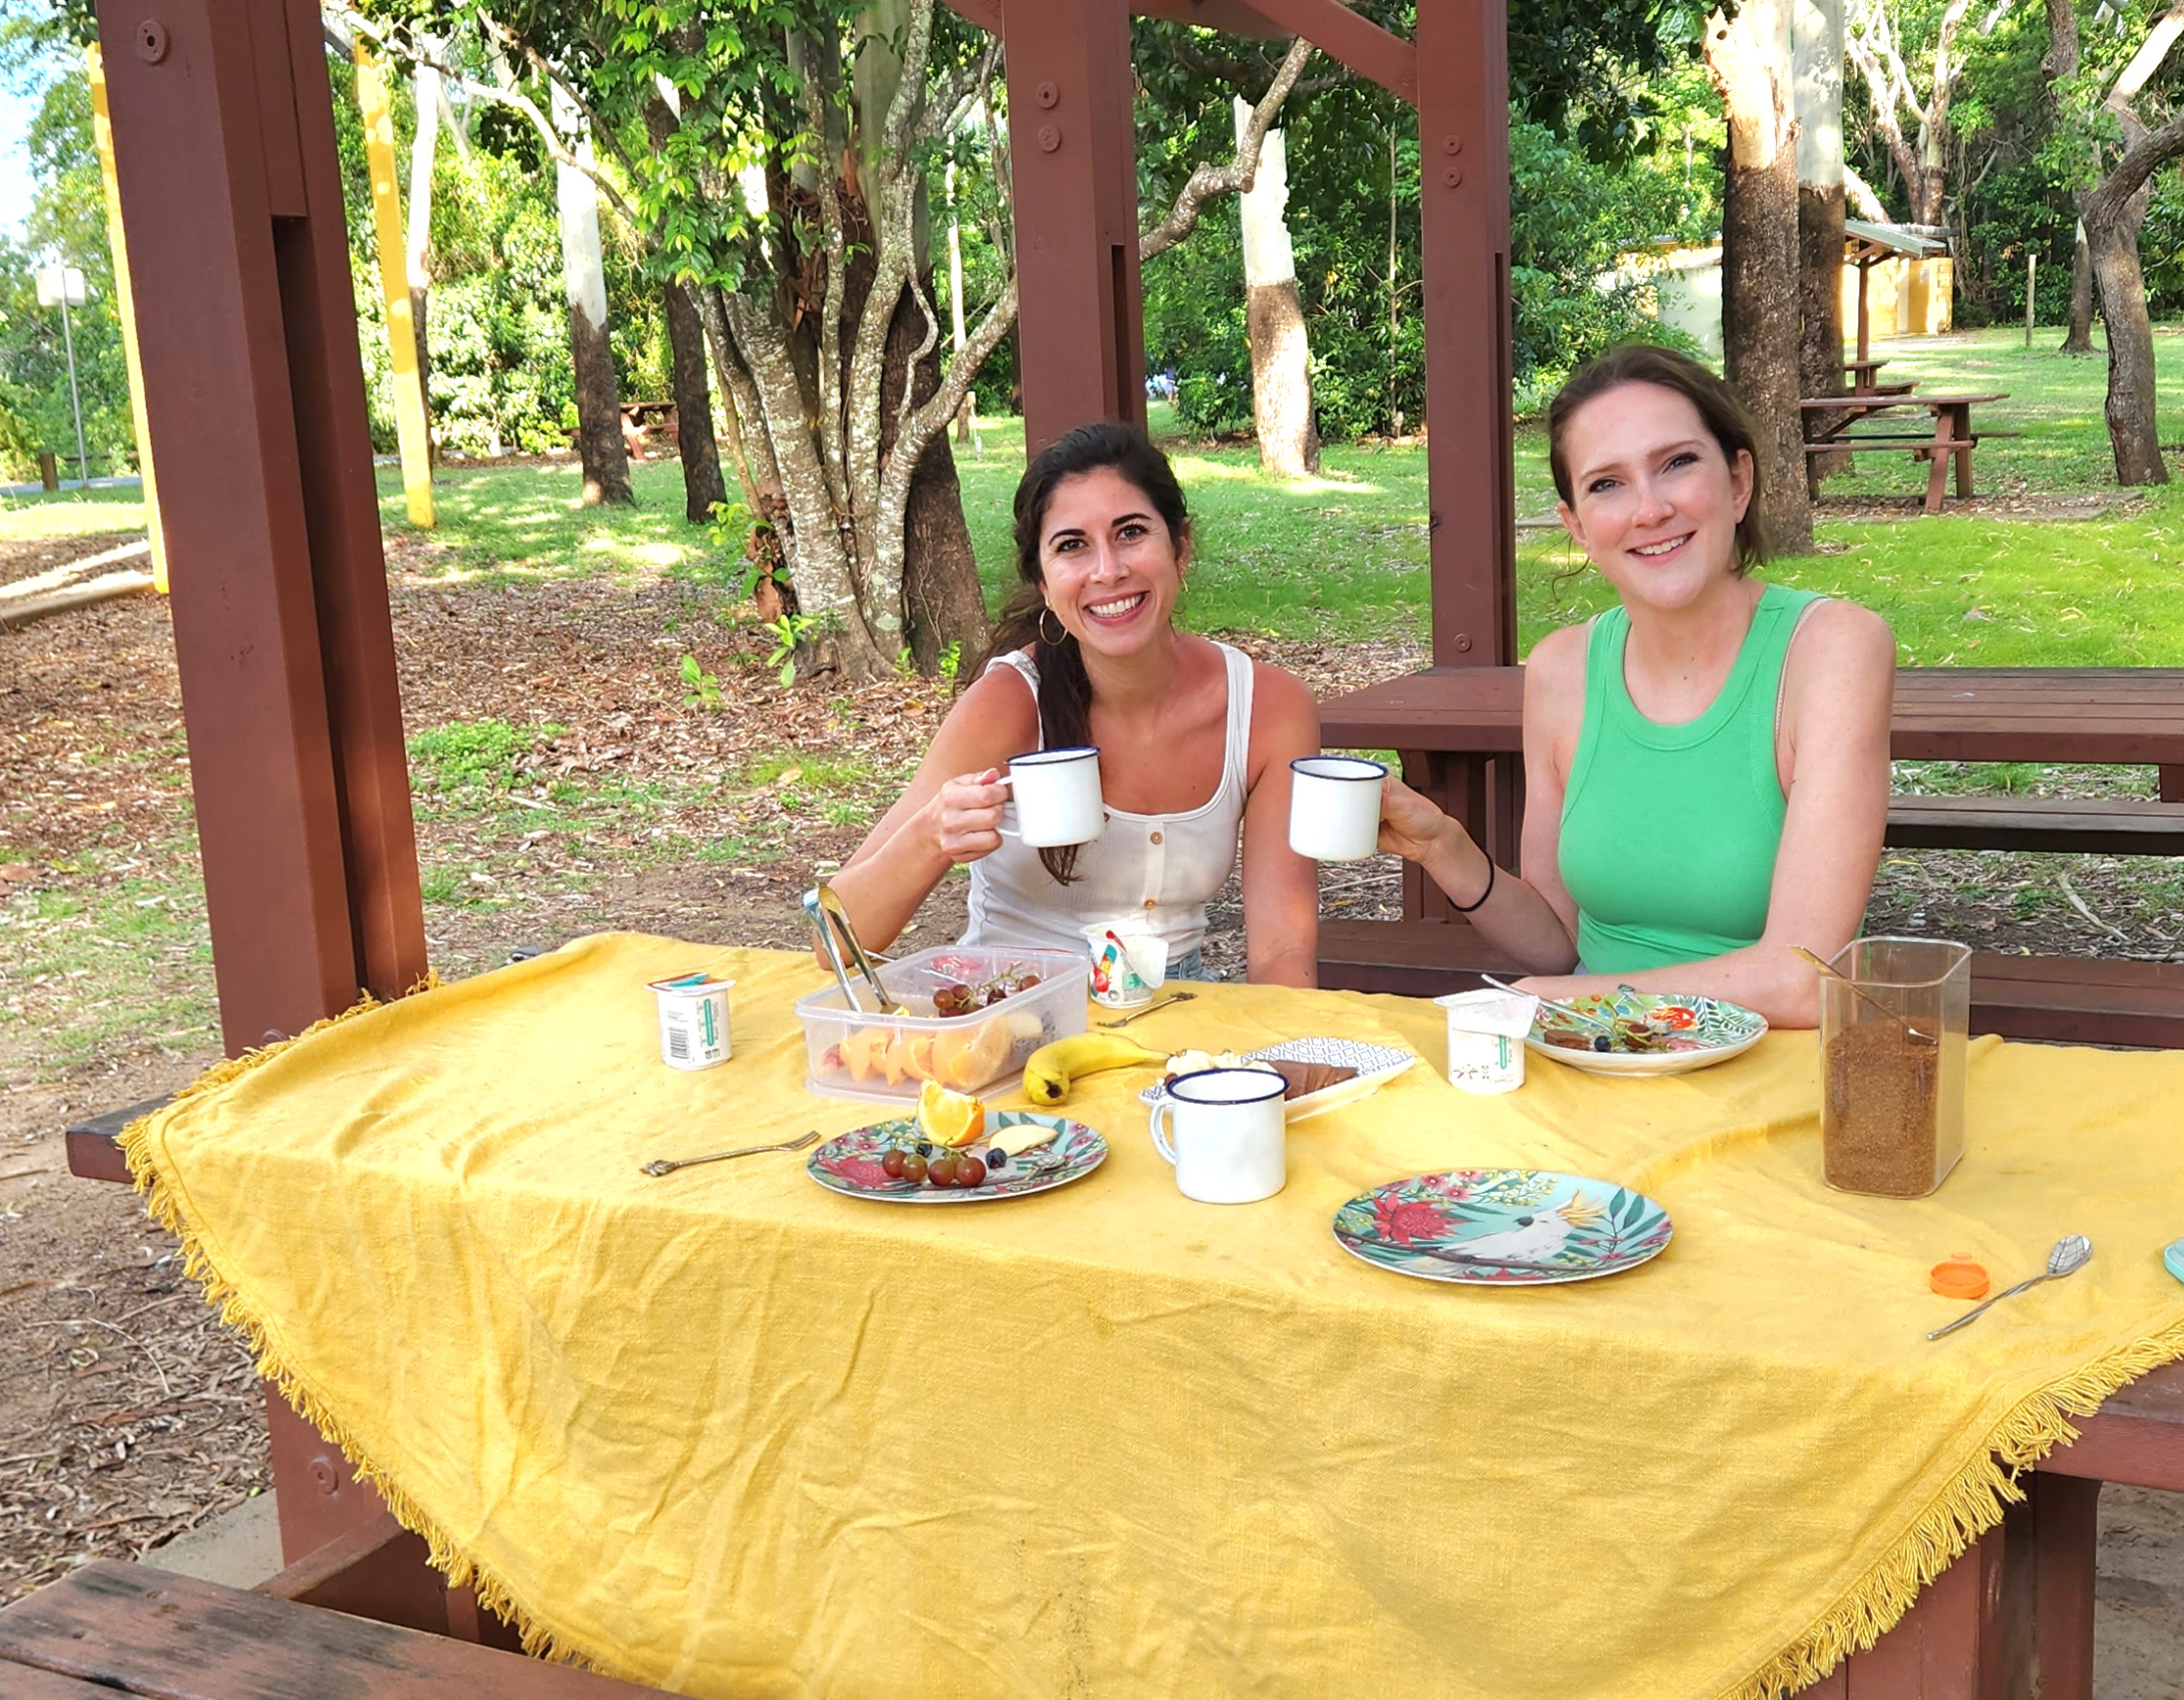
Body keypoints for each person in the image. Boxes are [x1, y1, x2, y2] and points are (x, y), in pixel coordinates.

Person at [1377, 345, 1894, 1028]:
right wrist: (1443, 845)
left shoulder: (1831, 649)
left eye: (1676, 463)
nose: (1649, 509)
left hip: (1767, 1058)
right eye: (1607, 484)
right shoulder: (1563, 667)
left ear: (1738, 482)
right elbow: (1558, 941)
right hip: (1593, 1052)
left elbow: (1801, 980)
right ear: (1576, 526)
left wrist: (1559, 1001)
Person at [830, 422, 1322, 986]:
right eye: (1071, 546)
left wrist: (1276, 1061)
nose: (1107, 570)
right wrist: (929, 835)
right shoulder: (1009, 703)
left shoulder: (1269, 708)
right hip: (1012, 1014)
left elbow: (1283, 950)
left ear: (1180, 548)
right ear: (1043, 582)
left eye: (1131, 532)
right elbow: (837, 940)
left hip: (1181, 1022)